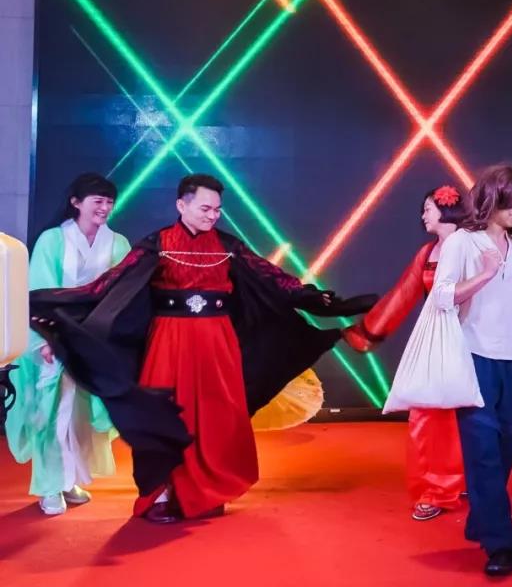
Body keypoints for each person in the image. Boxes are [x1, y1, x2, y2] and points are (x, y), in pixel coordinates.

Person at [29, 174, 377, 523]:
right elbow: (108, 285)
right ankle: (162, 494)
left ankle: (209, 489)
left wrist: (322, 301)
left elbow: (273, 278)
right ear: (182, 205)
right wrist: (51, 307)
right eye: (205, 208)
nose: (212, 215)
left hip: (216, 341)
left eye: (217, 210)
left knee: (217, 415)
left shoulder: (228, 245)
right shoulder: (157, 243)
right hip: (169, 339)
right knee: (164, 413)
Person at [429, 165, 512, 577]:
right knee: (484, 451)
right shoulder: (463, 242)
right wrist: (486, 273)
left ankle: (483, 519)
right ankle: (500, 542)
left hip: (508, 358)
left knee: (507, 444)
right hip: (471, 356)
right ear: (493, 198)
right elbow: (441, 296)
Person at [343, 185, 470, 521]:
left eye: (428, 208)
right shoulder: (428, 252)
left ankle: (462, 480)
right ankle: (436, 488)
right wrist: (368, 331)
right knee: (430, 415)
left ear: (446, 209)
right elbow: (404, 294)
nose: (423, 215)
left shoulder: (472, 246)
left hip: (472, 340)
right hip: (439, 340)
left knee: (468, 418)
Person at [6, 174, 130, 516]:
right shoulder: (52, 240)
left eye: (109, 202)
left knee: (81, 415)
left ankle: (68, 478)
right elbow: (39, 292)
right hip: (54, 338)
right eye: (97, 201)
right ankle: (49, 485)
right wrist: (46, 340)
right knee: (53, 412)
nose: (104, 208)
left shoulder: (118, 243)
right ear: (76, 202)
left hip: (94, 341)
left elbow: (121, 295)